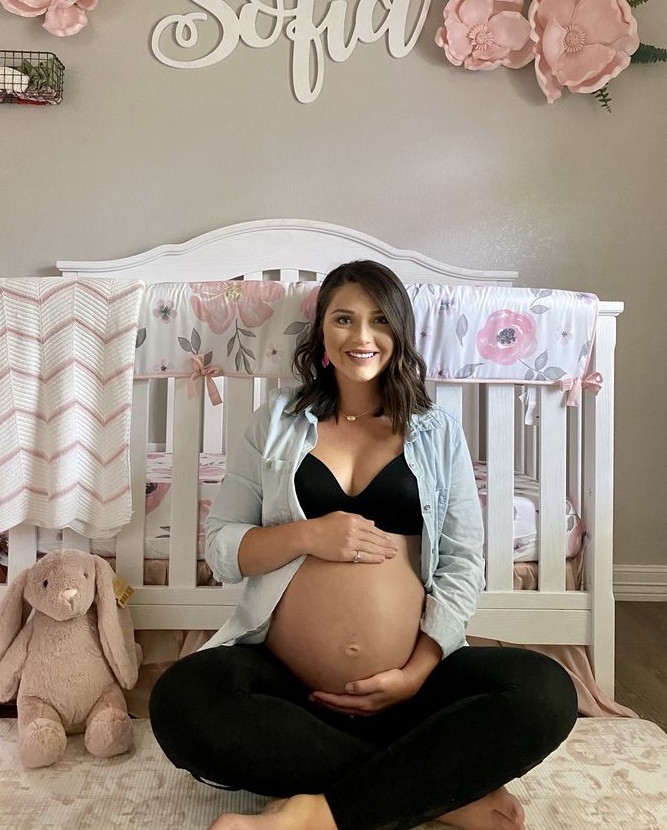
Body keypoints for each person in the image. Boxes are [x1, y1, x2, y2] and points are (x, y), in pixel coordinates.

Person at [149, 261, 578, 830]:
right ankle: (437, 793)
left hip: (410, 691)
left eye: (378, 320)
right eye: (343, 319)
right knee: (182, 697)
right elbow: (223, 548)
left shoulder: (436, 430)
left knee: (546, 691)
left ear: (399, 333)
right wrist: (308, 534)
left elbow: (461, 562)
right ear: (322, 333)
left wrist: (418, 671)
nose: (361, 336)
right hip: (292, 690)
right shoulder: (274, 422)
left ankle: (316, 813)